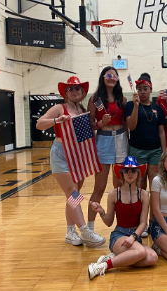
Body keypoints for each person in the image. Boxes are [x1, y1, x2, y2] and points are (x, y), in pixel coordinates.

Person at [36, 76, 105, 247]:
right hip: (61, 154)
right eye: (71, 89)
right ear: (65, 92)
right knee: (73, 193)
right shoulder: (59, 108)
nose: (75, 91)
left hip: (78, 155)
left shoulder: (82, 109)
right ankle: (85, 231)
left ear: (82, 93)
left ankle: (70, 231)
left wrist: (99, 124)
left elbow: (87, 130)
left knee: (72, 195)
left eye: (78, 89)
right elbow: (39, 124)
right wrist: (56, 120)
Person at [87, 156, 158, 279]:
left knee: (153, 257)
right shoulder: (114, 194)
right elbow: (109, 222)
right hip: (119, 235)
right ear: (122, 173)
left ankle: (116, 258)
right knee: (141, 252)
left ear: (138, 173)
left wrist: (133, 237)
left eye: (133, 170)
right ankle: (102, 266)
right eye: (126, 170)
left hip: (135, 237)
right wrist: (101, 212)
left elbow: (143, 223)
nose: (130, 173)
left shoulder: (144, 194)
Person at [87, 66, 128, 233]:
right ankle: (89, 228)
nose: (112, 78)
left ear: (118, 78)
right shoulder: (95, 99)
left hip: (121, 138)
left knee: (119, 185)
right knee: (100, 186)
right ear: (103, 77)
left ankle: (122, 225)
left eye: (114, 75)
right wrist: (100, 124)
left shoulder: (122, 99)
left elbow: (126, 123)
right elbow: (89, 125)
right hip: (103, 139)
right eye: (108, 75)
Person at [125, 73, 166, 190]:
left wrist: (163, 152)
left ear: (151, 89)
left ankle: (154, 208)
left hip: (155, 151)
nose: (142, 92)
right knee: (140, 184)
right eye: (139, 89)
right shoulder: (130, 106)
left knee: (155, 184)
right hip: (137, 150)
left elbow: (162, 132)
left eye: (145, 89)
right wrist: (136, 106)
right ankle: (141, 208)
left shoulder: (157, 108)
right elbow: (131, 127)